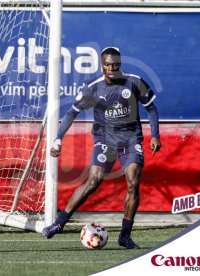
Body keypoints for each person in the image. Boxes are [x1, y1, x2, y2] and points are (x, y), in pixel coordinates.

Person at [42, 47, 162, 249]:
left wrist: (155, 135)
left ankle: (124, 236)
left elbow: (151, 108)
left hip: (131, 140)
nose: (112, 69)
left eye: (115, 65)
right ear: (101, 65)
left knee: (133, 184)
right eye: (108, 65)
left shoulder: (134, 82)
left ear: (120, 64)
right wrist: (58, 139)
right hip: (105, 140)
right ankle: (59, 223)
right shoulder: (93, 88)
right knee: (93, 181)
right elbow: (72, 112)